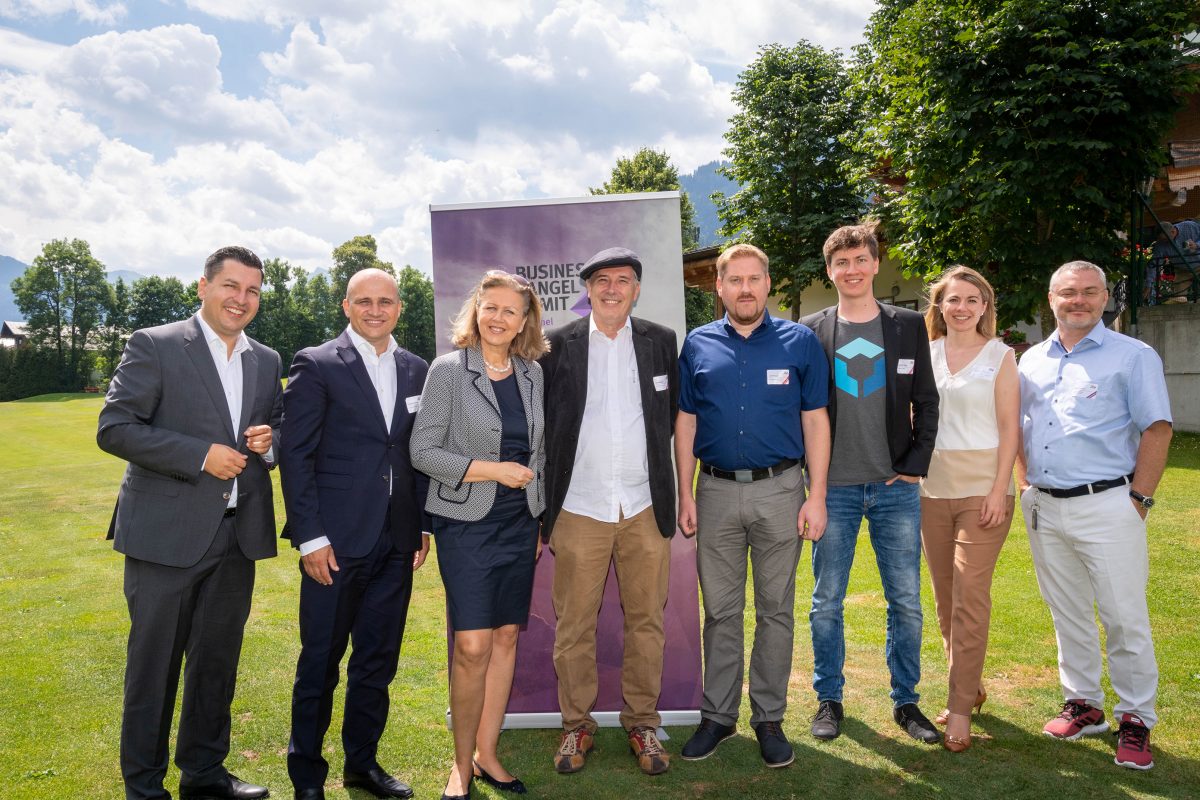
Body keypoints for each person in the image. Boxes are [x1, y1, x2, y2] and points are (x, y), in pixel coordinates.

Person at [97, 246, 281, 800]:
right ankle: (144, 786)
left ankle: (204, 774)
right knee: (153, 669)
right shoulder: (155, 344)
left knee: (215, 665)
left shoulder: (266, 360)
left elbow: (276, 429)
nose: (240, 299)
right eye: (230, 286)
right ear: (202, 287)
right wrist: (199, 454)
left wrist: (271, 444)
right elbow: (115, 428)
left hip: (236, 536)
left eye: (251, 290)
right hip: (164, 537)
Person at [675, 243, 831, 769]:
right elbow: (686, 423)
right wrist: (684, 491)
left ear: (768, 283)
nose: (745, 288)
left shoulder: (800, 342)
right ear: (718, 287)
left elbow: (815, 421)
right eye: (734, 280)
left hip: (781, 490)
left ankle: (769, 717)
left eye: (754, 279)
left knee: (776, 610)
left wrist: (817, 495)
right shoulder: (696, 345)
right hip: (714, 491)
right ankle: (717, 717)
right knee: (720, 612)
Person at [279, 268, 430, 800]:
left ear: (399, 307)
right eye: (363, 301)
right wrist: (310, 538)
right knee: (319, 662)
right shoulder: (316, 364)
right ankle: (307, 778)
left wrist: (420, 527)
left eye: (384, 301)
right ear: (346, 305)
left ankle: (361, 765)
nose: (374, 310)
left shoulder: (417, 368)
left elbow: (415, 453)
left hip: (396, 542)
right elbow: (294, 455)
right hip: (335, 545)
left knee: (376, 661)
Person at [1016, 260, 1172, 771]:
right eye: (1067, 292)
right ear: (1051, 297)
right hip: (1045, 504)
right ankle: (1084, 704)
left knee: (1124, 617)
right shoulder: (1030, 360)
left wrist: (1140, 498)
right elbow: (1019, 427)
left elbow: (1157, 428)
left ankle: (1136, 719)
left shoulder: (1133, 356)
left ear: (1105, 297)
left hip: (1109, 502)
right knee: (1068, 612)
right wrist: (1023, 487)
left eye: (1088, 292)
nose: (1077, 300)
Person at [540, 247, 679, 776]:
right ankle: (577, 727)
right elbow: (544, 428)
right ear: (588, 289)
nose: (613, 288)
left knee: (647, 622)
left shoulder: (661, 342)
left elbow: (675, 419)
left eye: (623, 280)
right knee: (574, 625)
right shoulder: (558, 345)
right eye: (602, 280)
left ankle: (643, 723)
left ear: (636, 289)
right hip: (579, 506)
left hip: (644, 505)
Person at [799, 223, 940, 744]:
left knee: (904, 599)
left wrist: (915, 463)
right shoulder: (810, 329)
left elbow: (927, 401)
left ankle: (907, 702)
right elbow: (800, 410)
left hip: (894, 487)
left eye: (860, 260)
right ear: (830, 270)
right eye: (841, 263)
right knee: (826, 601)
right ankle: (829, 699)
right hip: (831, 489)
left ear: (875, 264)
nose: (852, 270)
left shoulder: (906, 326)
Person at [410, 270, 549, 800]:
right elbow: (424, 451)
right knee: (470, 646)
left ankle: (488, 754)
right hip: (466, 523)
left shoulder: (533, 375)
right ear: (476, 311)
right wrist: (492, 470)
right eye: (489, 307)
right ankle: (459, 765)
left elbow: (539, 453)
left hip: (519, 521)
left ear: (523, 322)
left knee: (507, 636)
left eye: (509, 311)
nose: (498, 318)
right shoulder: (448, 371)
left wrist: (536, 516)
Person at [918, 266, 1018, 752]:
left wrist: (1001, 488)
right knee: (945, 599)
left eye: (971, 300)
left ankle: (959, 711)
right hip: (931, 491)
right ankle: (970, 686)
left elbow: (1009, 428)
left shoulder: (1000, 357)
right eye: (952, 299)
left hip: (984, 491)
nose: (961, 308)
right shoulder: (926, 354)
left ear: (984, 306)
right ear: (939, 305)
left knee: (970, 598)